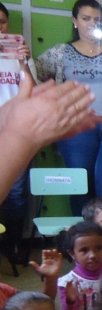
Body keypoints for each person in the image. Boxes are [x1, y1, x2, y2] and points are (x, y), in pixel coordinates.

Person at [35, 0, 102, 209]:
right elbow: (33, 73)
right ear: (75, 21)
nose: (92, 23)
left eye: (97, 19)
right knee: (80, 187)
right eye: (86, 19)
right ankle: (82, 239)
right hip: (77, 126)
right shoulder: (61, 52)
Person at [0, 1, 36, 252]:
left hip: (17, 133)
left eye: (2, 22)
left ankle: (11, 246)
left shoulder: (19, 56)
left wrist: (24, 63)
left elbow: (32, 91)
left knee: (16, 193)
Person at [57, 221, 102, 310]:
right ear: (72, 254)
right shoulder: (67, 282)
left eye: (98, 248)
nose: (92, 255)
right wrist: (70, 302)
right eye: (84, 250)